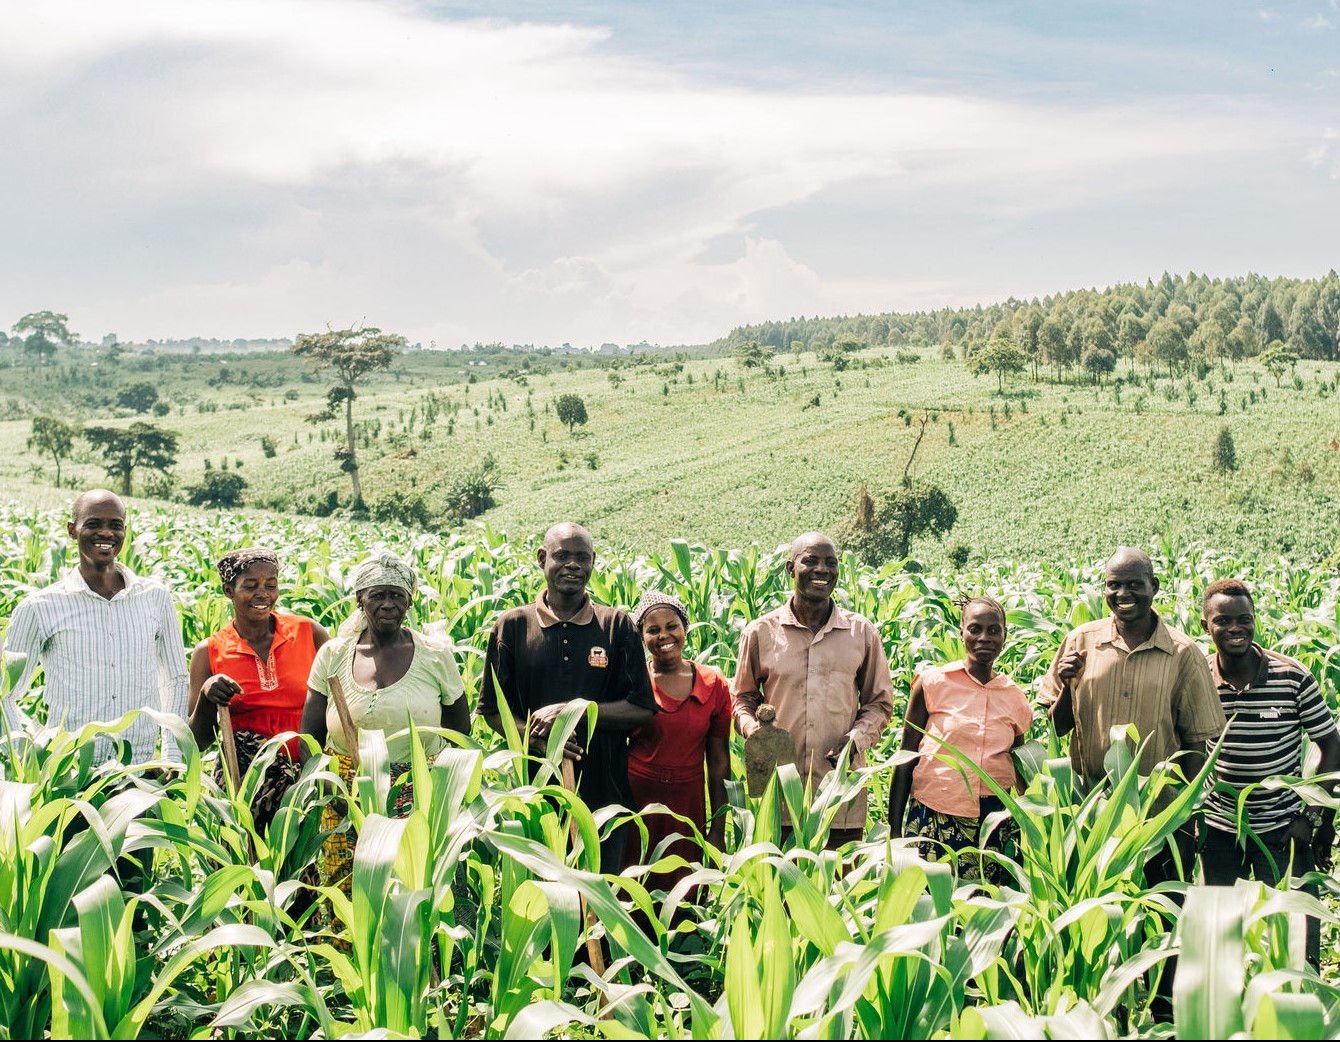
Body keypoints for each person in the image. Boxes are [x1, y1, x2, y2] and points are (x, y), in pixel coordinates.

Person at [479, 522, 657, 871]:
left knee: (599, 901)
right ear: (542, 558)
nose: (572, 565)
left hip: (605, 798)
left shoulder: (616, 626)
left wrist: (576, 711)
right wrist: (537, 740)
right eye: (562, 556)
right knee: (547, 904)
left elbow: (641, 707)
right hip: (534, 796)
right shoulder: (512, 627)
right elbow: (492, 710)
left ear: (593, 563)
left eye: (582, 557)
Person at [300, 549, 469, 894]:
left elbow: (459, 730)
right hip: (345, 789)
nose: (388, 604)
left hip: (420, 787)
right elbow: (310, 734)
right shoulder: (333, 654)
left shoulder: (435, 655)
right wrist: (326, 783)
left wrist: (437, 787)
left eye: (397, 596)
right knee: (351, 888)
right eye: (378, 595)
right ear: (361, 600)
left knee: (416, 887)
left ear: (410, 603)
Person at [1199, 577, 1340, 967]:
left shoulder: (1292, 676)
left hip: (1283, 828)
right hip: (1219, 828)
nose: (1235, 629)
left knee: (1296, 937)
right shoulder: (1198, 678)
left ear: (1255, 620)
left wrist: (1311, 818)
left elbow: (1331, 746)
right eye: (1223, 621)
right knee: (1218, 940)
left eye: (1244, 619)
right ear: (1205, 625)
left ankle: (1299, 1011)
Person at [732, 531, 895, 848]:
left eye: (830, 563)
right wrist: (753, 729)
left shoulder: (861, 633)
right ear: (790, 569)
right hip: (776, 797)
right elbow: (742, 699)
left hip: (839, 796)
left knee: (840, 890)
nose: (822, 570)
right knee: (779, 891)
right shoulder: (760, 633)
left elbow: (879, 704)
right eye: (811, 561)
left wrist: (856, 739)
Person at [2, 488, 188, 764]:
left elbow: (175, 681)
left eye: (115, 525)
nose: (106, 533)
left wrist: (172, 756)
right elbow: (4, 693)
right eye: (93, 524)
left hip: (139, 772)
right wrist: (26, 757)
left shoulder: (155, 597)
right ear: (72, 530)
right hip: (71, 773)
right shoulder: (39, 607)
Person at [887, 597, 1032, 880]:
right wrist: (894, 830)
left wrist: (1034, 826)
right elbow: (906, 756)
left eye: (994, 630)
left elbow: (1020, 763)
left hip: (992, 822)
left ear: (1005, 635)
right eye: (975, 629)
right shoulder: (932, 683)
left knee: (985, 908)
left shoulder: (1014, 696)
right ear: (961, 632)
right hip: (934, 815)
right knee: (930, 907)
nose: (984, 638)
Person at [187, 547, 330, 829]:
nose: (263, 594)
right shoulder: (211, 651)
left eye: (271, 585)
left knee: (301, 865)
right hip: (246, 781)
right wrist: (207, 694)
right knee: (243, 863)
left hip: (306, 774)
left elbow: (341, 699)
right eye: (250, 586)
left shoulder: (309, 633)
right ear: (229, 590)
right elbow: (198, 740)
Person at [626, 590, 732, 885]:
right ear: (642, 638)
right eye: (653, 630)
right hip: (638, 805)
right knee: (634, 887)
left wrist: (718, 831)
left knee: (684, 890)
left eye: (672, 626)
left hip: (687, 806)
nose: (664, 635)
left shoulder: (714, 685)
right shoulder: (633, 681)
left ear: (685, 628)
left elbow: (720, 763)